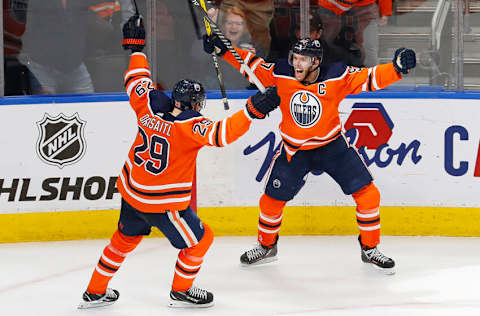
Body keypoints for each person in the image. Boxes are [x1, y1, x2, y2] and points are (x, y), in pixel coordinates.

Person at [78, 14, 280, 309]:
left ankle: (95, 290)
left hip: (132, 192)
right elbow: (222, 134)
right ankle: (181, 290)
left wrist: (136, 49)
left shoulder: (148, 106)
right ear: (194, 104)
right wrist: (253, 110)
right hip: (162, 202)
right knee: (201, 240)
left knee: (123, 239)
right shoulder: (190, 127)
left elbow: (137, 80)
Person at [203, 34, 416, 274]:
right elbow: (250, 64)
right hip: (294, 150)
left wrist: (397, 68)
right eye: (295, 57)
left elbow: (370, 78)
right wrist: (223, 51)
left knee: (368, 195)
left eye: (303, 59)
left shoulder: (337, 76)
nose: (296, 63)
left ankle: (370, 249)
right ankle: (266, 246)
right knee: (271, 201)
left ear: (316, 62)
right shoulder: (281, 72)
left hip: (333, 147)